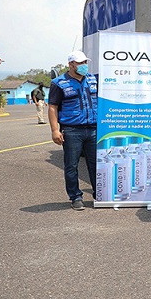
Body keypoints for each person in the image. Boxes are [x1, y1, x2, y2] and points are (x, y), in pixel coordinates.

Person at [48, 51, 98, 210]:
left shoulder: (92, 79)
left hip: (93, 129)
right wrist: (55, 130)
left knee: (96, 164)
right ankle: (75, 197)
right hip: (71, 130)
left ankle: (100, 193)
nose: (84, 66)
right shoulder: (59, 83)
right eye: (80, 63)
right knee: (71, 165)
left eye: (85, 62)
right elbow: (52, 107)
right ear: (71, 64)